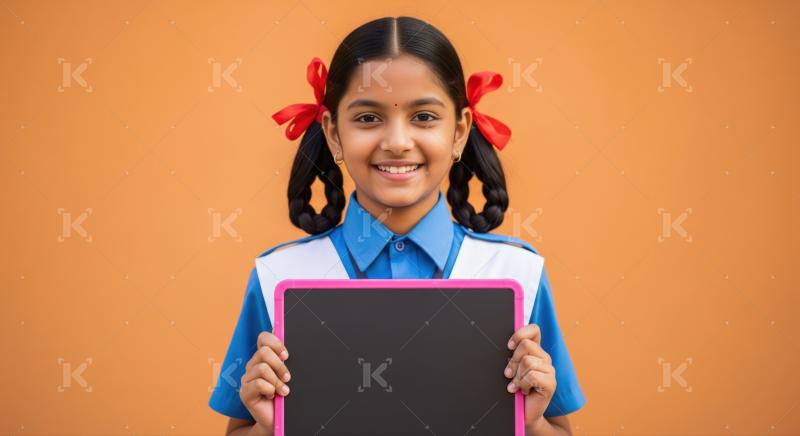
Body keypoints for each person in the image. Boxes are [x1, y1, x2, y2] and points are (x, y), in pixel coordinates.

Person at [209, 15, 586, 436]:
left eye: (424, 116)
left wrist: (531, 422)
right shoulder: (279, 277)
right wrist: (269, 427)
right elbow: (241, 428)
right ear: (333, 133)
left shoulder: (517, 273)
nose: (397, 141)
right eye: (368, 119)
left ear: (460, 130)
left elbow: (559, 429)